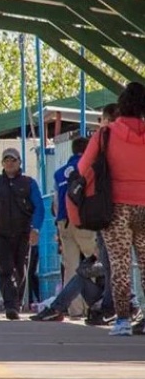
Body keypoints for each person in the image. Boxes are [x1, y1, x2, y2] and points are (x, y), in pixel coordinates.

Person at [74, 81, 145, 336]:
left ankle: (123, 320)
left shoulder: (106, 134)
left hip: (115, 208)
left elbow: (83, 168)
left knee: (119, 265)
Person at [0, 147, 45, 320]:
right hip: (0, 234)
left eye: (13, 160)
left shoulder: (29, 183)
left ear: (19, 162)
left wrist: (35, 229)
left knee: (20, 269)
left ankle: (16, 302)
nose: (9, 163)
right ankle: (10, 305)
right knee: (4, 268)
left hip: (23, 233)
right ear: (2, 163)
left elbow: (39, 207)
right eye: (6, 160)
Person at [54, 136, 98, 317]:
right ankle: (94, 305)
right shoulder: (88, 168)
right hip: (84, 220)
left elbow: (56, 202)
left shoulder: (59, 173)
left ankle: (75, 309)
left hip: (63, 221)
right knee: (94, 263)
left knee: (70, 265)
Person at [30, 255, 105, 322]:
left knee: (79, 279)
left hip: (107, 302)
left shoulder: (107, 263)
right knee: (79, 279)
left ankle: (56, 309)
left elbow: (81, 270)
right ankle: (56, 309)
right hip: (101, 299)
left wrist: (93, 257)